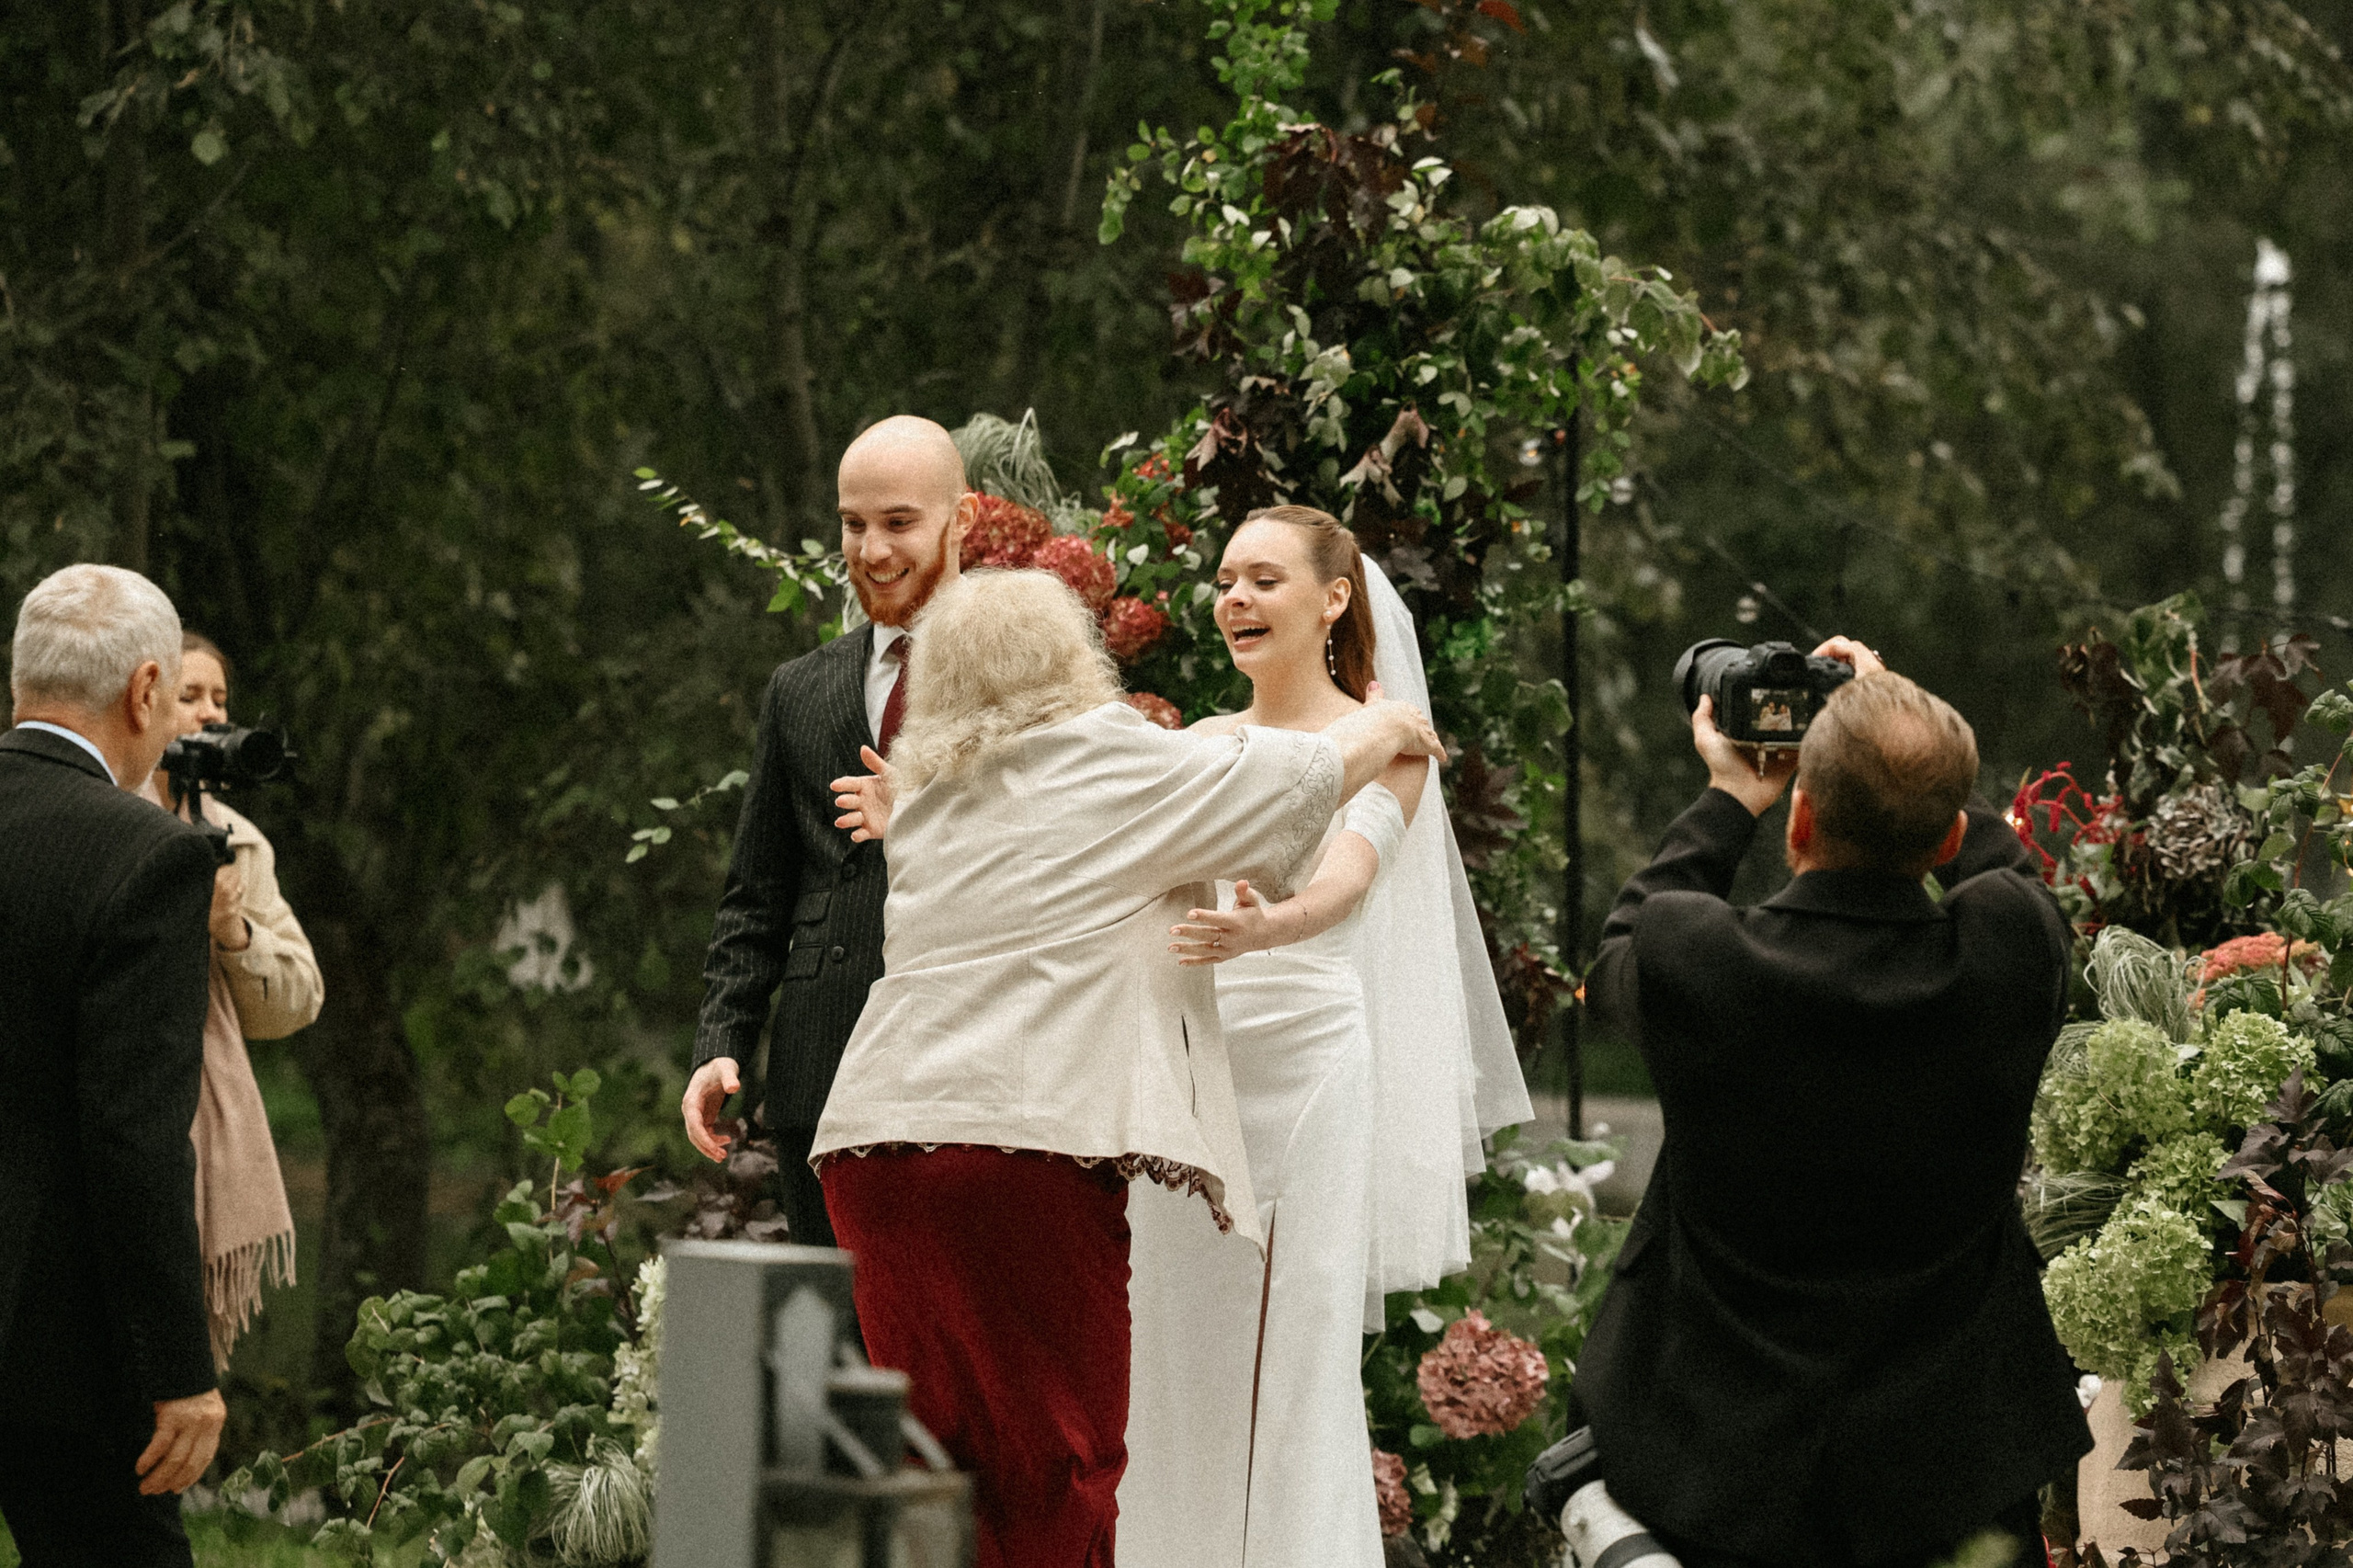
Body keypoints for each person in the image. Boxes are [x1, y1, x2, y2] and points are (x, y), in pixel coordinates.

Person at [812, 567, 1448, 1568]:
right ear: (1069, 655)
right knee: (1063, 1461)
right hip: (1012, 1155)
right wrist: (1386, 727)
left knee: (933, 1472)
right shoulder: (1098, 755)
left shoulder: (932, 802)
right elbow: (1287, 783)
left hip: (872, 1160)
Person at [1561, 647, 2091, 1568]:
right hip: (1951, 1466)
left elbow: (1618, 951)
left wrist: (1731, 794)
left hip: (1717, 1463)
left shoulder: (1699, 958)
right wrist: (1903, 750)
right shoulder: (2006, 953)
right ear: (1945, 842)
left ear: (1800, 812)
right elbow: (2007, 876)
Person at [1117, 507, 1530, 1568]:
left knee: (1296, 1351)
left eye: (1263, 578)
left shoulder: (1390, 741)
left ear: (1332, 598)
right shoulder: (1200, 746)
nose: (1235, 599)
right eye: (1224, 579)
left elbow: (1347, 884)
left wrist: (1269, 924)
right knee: (1169, 1345)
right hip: (1195, 1072)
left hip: (1309, 1059)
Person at [680, 415, 974, 1244]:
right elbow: (756, 893)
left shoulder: (1022, 675)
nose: (873, 550)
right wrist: (721, 1040)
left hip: (967, 1063)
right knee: (832, 1342)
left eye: (900, 523)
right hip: (819, 1066)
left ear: (966, 520)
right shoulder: (800, 690)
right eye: (853, 525)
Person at [0, 565, 226, 1567]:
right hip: (57, 1345)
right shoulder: (150, 855)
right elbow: (134, 1135)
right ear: (146, 690)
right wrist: (180, 1367)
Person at [140, 632, 322, 1368]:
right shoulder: (101, 817)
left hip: (201, 1125)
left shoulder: (240, 843)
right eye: (190, 697)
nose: (210, 715)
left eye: (221, 699)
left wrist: (232, 930)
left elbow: (299, 998)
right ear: (142, 702)